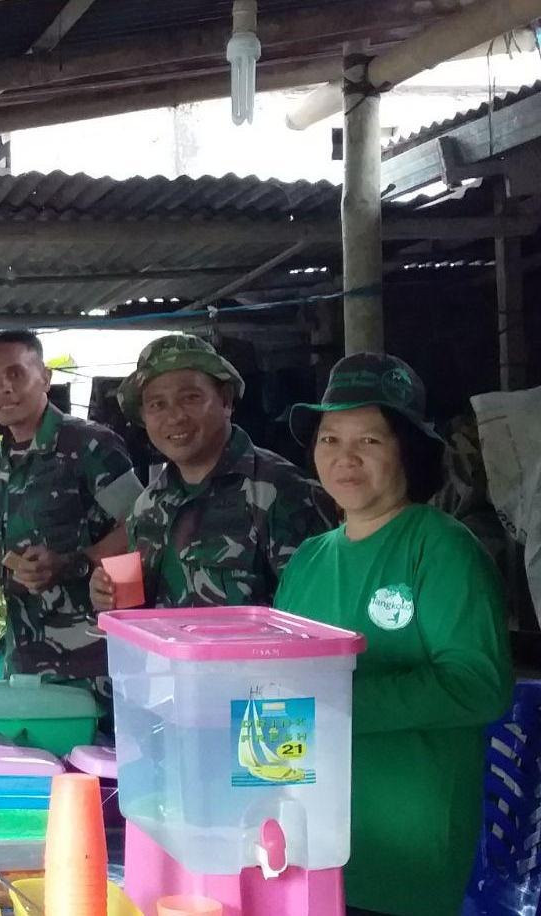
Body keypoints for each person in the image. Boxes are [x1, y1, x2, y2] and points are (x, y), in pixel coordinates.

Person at [274, 353, 512, 916]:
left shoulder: (442, 547)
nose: (344, 459)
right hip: (308, 844)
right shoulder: (309, 558)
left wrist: (335, 703)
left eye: (370, 441)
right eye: (329, 439)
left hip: (406, 847)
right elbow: (277, 679)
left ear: (407, 448)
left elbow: (480, 683)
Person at [92, 333, 334, 610]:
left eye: (191, 398)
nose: (175, 417)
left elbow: (318, 619)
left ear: (226, 401)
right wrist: (106, 594)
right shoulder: (148, 505)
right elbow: (143, 613)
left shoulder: (285, 493)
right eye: (157, 404)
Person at [0, 329, 142, 680]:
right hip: (26, 657)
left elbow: (141, 525)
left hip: (95, 656)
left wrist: (72, 563)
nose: (4, 387)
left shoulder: (91, 446)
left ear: (45, 378)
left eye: (16, 373)